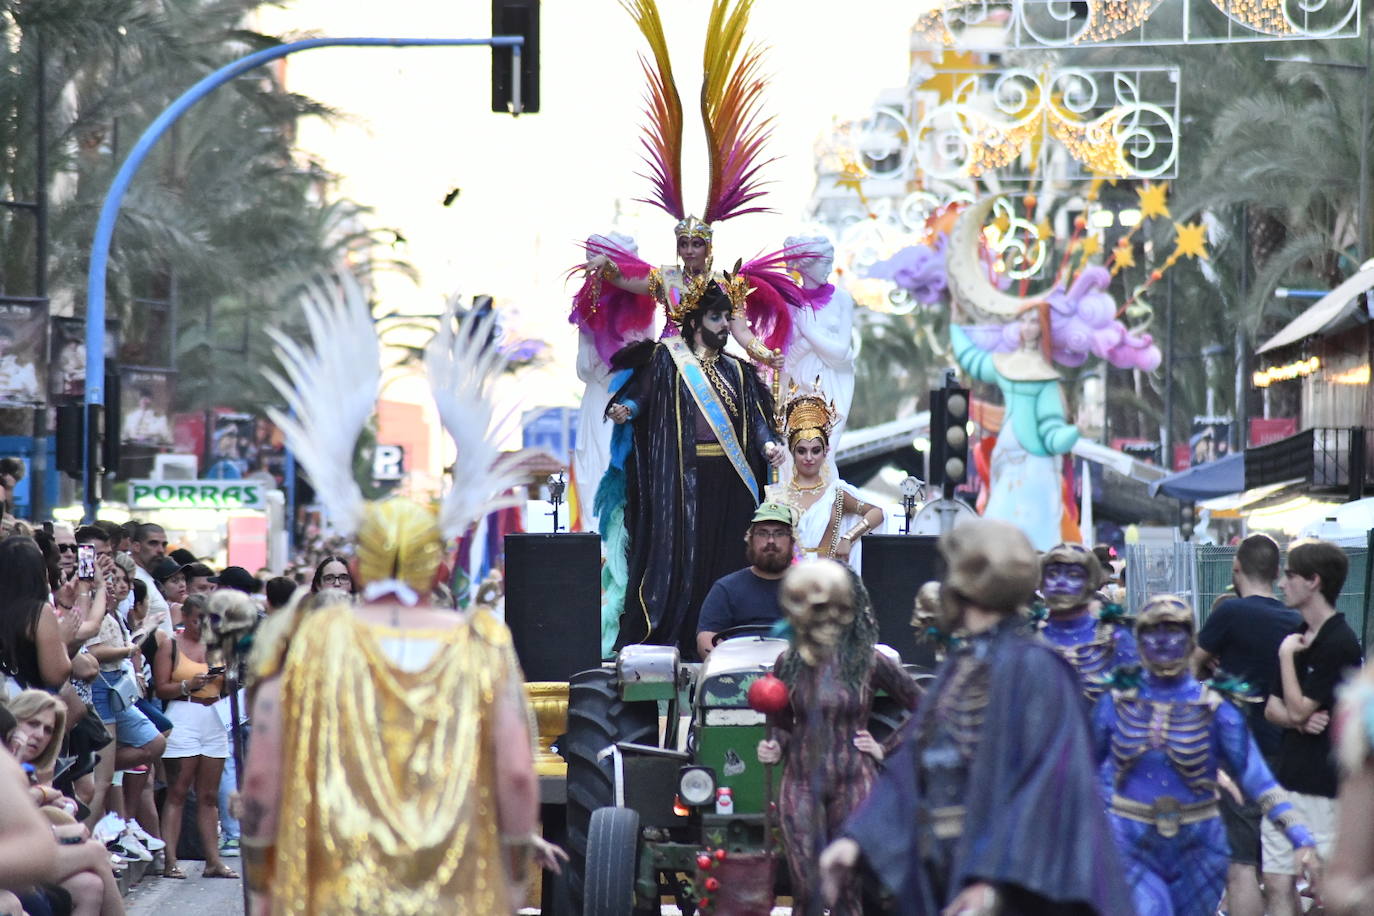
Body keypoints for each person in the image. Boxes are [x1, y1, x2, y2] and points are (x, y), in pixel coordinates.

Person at [819, 519, 1132, 915]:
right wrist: (858, 840)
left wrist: (994, 882)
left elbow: (1050, 785)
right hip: (948, 871)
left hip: (1008, 888)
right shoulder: (963, 665)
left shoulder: (1036, 667)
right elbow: (915, 763)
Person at [1093, 594, 1318, 916]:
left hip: (1199, 847)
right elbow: (1085, 766)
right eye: (1153, 632)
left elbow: (1256, 776)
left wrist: (1299, 835)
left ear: (1191, 640)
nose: (1163, 641)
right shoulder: (1116, 703)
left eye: (1174, 632)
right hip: (1132, 841)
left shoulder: (1215, 708)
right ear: (1139, 640)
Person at [606, 281, 784, 660]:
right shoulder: (667, 360)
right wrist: (628, 411)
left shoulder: (738, 370)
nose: (724, 325)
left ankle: (732, 632)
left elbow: (756, 419)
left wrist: (768, 446)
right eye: (715, 317)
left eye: (726, 317)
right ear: (694, 321)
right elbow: (642, 397)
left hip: (733, 481)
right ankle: (685, 637)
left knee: (730, 556)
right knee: (685, 560)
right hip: (683, 482)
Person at [756, 560, 918, 915]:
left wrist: (885, 748)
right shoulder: (789, 661)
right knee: (808, 888)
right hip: (800, 782)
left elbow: (926, 707)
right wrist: (774, 745)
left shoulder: (870, 661)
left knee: (847, 890)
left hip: (853, 779)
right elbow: (782, 721)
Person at [1192, 533, 1302, 915]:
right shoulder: (1296, 620)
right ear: (1276, 572)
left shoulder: (1230, 613)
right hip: (1285, 754)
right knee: (1279, 872)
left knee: (1240, 866)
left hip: (1235, 754)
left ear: (1235, 567)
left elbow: (1188, 668)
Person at [1264, 539, 1363, 915]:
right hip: (1286, 778)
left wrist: (1287, 658)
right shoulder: (1296, 632)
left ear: (1313, 581)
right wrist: (1298, 719)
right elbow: (1273, 708)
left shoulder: (1338, 642)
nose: (1281, 583)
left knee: (1324, 889)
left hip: (1323, 788)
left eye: (1289, 575)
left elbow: (1297, 705)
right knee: (1276, 879)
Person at [152, 593, 237, 880]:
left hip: (213, 716)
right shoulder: (170, 645)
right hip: (184, 713)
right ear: (186, 617)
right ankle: (171, 860)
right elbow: (161, 688)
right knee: (178, 791)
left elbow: (231, 685)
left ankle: (212, 861)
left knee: (209, 795)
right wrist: (188, 685)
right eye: (198, 618)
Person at [766, 385, 884, 570]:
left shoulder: (836, 494)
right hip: (788, 580)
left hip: (827, 582)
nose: (809, 458)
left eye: (815, 450)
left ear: (825, 452)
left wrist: (848, 537)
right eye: (802, 451)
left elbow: (877, 512)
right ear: (792, 452)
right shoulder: (776, 496)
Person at [1035, 542, 1138, 705]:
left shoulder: (1114, 637)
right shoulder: (1028, 638)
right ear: (1041, 582)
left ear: (1091, 583)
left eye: (1073, 575)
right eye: (1053, 575)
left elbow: (1133, 699)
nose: (1061, 583)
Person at [782, 235, 857, 450]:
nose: (829, 269)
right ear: (806, 264)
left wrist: (810, 333)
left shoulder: (841, 299)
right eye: (825, 263)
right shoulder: (789, 301)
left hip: (830, 385)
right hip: (796, 384)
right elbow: (784, 355)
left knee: (825, 453)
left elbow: (841, 352)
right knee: (795, 453)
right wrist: (805, 346)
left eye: (831, 262)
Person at [695, 502, 794, 660]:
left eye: (779, 533)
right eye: (762, 533)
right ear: (750, 540)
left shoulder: (809, 588)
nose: (770, 541)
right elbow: (706, 639)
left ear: (791, 541)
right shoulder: (726, 588)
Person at [127, 523, 172, 635]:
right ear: (136, 546)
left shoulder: (146, 577)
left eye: (164, 544)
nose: (161, 550)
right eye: (153, 543)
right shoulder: (132, 579)